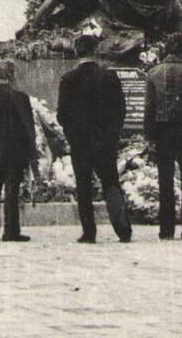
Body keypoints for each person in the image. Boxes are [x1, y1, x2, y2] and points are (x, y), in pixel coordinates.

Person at [56, 32, 133, 243]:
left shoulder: (68, 79)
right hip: (105, 141)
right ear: (96, 51)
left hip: (80, 142)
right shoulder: (109, 77)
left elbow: (62, 115)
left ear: (77, 52)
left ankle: (89, 232)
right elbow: (120, 110)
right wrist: (112, 135)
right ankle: (123, 229)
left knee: (83, 186)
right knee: (111, 183)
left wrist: (73, 135)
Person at [143, 32, 182, 239]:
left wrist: (149, 133)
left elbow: (149, 107)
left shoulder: (154, 73)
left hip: (162, 130)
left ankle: (166, 229)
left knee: (165, 179)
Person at [0, 60, 39, 242]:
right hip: (15, 154)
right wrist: (31, 154)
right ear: (12, 76)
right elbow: (28, 128)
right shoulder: (20, 97)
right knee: (12, 192)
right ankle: (11, 231)